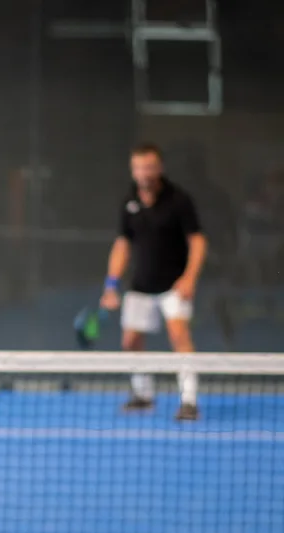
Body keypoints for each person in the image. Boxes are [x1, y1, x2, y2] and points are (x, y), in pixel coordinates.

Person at [100, 143, 208, 421]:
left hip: (174, 286)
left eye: (149, 167)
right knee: (130, 341)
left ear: (159, 168)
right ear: (132, 169)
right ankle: (143, 396)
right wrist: (111, 285)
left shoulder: (179, 200)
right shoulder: (129, 201)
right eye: (139, 167)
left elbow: (197, 241)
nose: (144, 173)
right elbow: (123, 244)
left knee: (179, 336)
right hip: (140, 285)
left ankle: (189, 401)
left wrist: (189, 278)